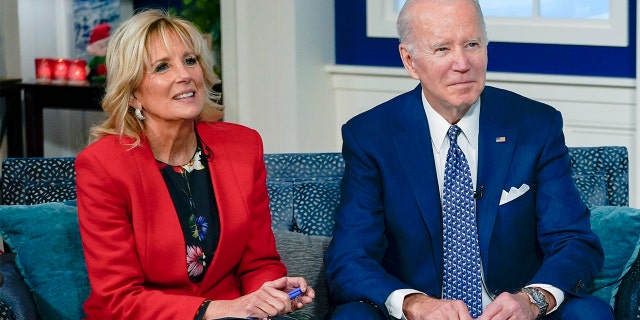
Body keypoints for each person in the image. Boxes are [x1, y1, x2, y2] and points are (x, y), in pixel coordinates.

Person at [323, 0, 612, 319]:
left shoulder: (536, 125)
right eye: (442, 49)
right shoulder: (370, 136)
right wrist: (414, 304)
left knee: (589, 313)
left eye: (472, 44)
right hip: (419, 313)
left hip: (513, 308)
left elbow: (573, 240)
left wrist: (533, 299)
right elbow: (350, 257)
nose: (462, 63)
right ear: (410, 60)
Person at [75, 9, 314, 320]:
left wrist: (268, 293)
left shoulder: (242, 147)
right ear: (133, 94)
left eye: (190, 61)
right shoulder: (103, 166)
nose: (184, 74)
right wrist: (222, 308)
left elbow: (258, 262)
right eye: (162, 67)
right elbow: (119, 298)